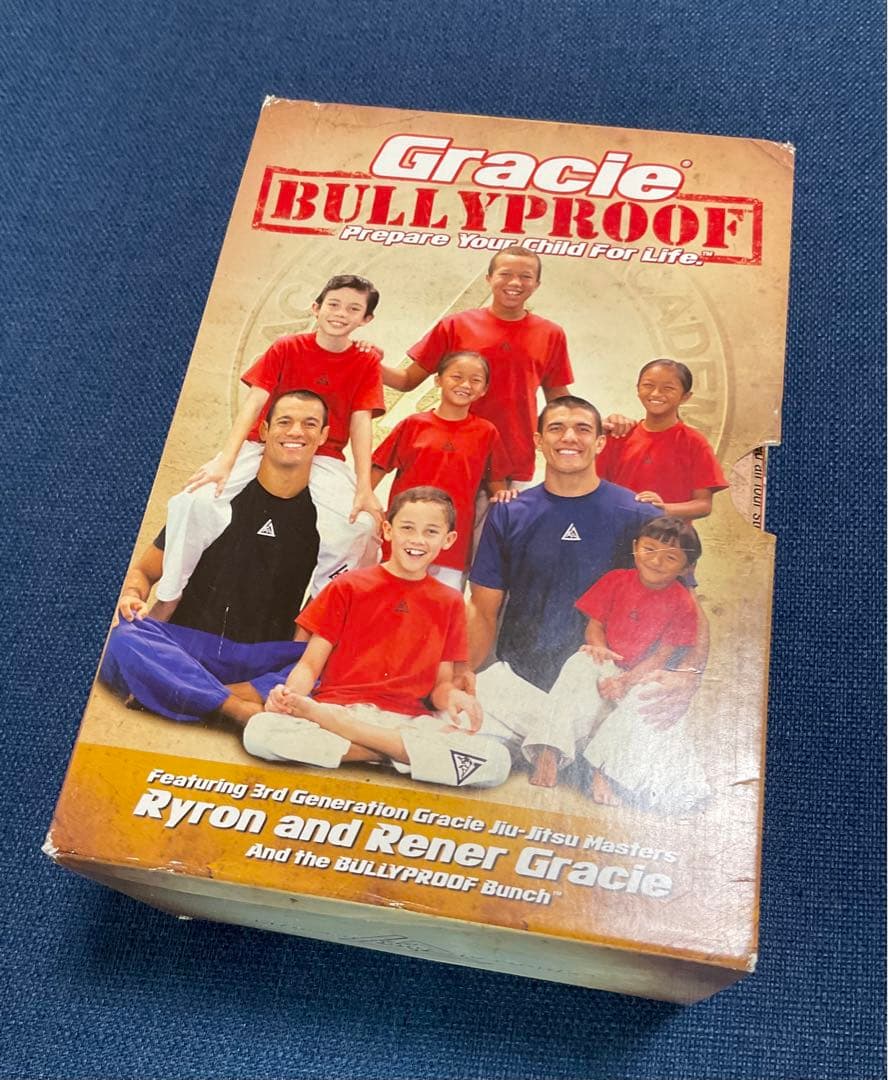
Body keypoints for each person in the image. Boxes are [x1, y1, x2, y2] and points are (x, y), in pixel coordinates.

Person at [465, 396, 709, 786]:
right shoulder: (510, 513)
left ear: (599, 442)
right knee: (456, 731)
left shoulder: (639, 514)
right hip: (522, 687)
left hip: (603, 690)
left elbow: (689, 607)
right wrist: (461, 672)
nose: (569, 438)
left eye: (582, 429)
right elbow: (482, 609)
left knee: (679, 786)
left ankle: (583, 751)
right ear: (539, 441)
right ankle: (563, 749)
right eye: (556, 428)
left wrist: (688, 677)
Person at [243, 487, 511, 789]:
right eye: (407, 528)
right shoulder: (347, 586)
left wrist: (454, 697)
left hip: (401, 721)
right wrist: (290, 696)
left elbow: (441, 687)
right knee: (260, 732)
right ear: (387, 530)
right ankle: (398, 755)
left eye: (431, 531)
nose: (417, 540)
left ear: (448, 540)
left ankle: (363, 746)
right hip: (339, 707)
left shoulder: (450, 602)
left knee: (496, 761)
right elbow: (309, 665)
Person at [153, 273, 385, 611]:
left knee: (361, 528)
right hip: (262, 445)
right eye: (333, 304)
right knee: (192, 502)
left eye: (353, 309)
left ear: (366, 319)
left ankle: (316, 619)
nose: (340, 313)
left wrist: (364, 487)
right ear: (316, 307)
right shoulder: (286, 347)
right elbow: (254, 404)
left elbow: (361, 424)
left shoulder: (365, 361)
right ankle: (169, 598)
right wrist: (225, 461)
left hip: (325, 454)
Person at [100, 390, 327, 730]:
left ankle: (183, 692)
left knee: (325, 668)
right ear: (264, 430)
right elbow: (144, 571)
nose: (296, 431)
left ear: (323, 436)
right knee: (123, 637)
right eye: (284, 421)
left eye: (309, 424)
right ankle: (237, 709)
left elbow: (325, 617)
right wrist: (132, 595)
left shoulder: (329, 521)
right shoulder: (211, 499)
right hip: (186, 645)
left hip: (260, 658)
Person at [525, 516, 711, 812]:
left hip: (640, 673)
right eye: (649, 549)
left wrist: (626, 681)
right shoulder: (616, 580)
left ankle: (605, 772)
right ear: (636, 547)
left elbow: (662, 656)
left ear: (687, 568)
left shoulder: (682, 602)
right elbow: (595, 626)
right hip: (609, 661)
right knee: (580, 661)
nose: (656, 561)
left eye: (670, 557)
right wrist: (599, 650)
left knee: (652, 692)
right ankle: (549, 752)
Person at [380, 247, 573, 490]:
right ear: (489, 278)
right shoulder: (455, 325)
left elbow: (559, 399)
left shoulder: (551, 334)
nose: (515, 282)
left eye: (525, 276)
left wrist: (596, 424)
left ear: (536, 284)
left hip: (513, 459)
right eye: (505, 274)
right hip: (451, 454)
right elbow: (407, 380)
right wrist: (362, 360)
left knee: (504, 517)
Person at [370, 351, 512, 592]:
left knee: (440, 608)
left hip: (451, 547)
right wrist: (369, 507)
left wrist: (502, 494)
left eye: (475, 380)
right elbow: (377, 468)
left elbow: (496, 479)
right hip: (403, 539)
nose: (465, 385)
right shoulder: (413, 424)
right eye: (456, 376)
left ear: (484, 389)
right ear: (438, 380)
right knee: (389, 602)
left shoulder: (486, 432)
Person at [595, 359, 728, 519]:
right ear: (638, 389)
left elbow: (703, 505)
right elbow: (596, 489)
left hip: (669, 532)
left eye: (668, 388)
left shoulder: (694, 443)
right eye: (648, 385)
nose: (656, 393)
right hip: (618, 529)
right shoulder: (619, 436)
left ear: (685, 397)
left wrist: (660, 510)